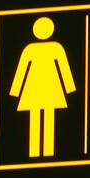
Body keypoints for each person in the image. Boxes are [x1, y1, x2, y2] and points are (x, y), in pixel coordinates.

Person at [9, 16, 75, 158]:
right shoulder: (33, 49)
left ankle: (45, 152)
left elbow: (63, 68)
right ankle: (37, 153)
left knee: (46, 119)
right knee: (37, 120)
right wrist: (69, 88)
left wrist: (70, 88)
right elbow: (22, 70)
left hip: (47, 89)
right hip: (36, 90)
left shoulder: (54, 48)